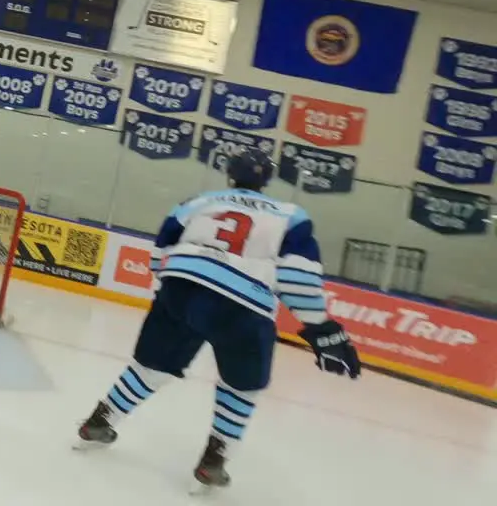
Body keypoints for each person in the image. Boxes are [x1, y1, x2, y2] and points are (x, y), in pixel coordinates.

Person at [75, 147, 361, 490]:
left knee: (151, 367)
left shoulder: (200, 201)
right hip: (242, 303)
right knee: (241, 386)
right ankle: (213, 461)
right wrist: (320, 328)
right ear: (266, 180)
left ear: (229, 174)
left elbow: (160, 252)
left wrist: (170, 289)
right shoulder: (292, 215)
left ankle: (98, 421)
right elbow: (298, 277)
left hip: (181, 287)